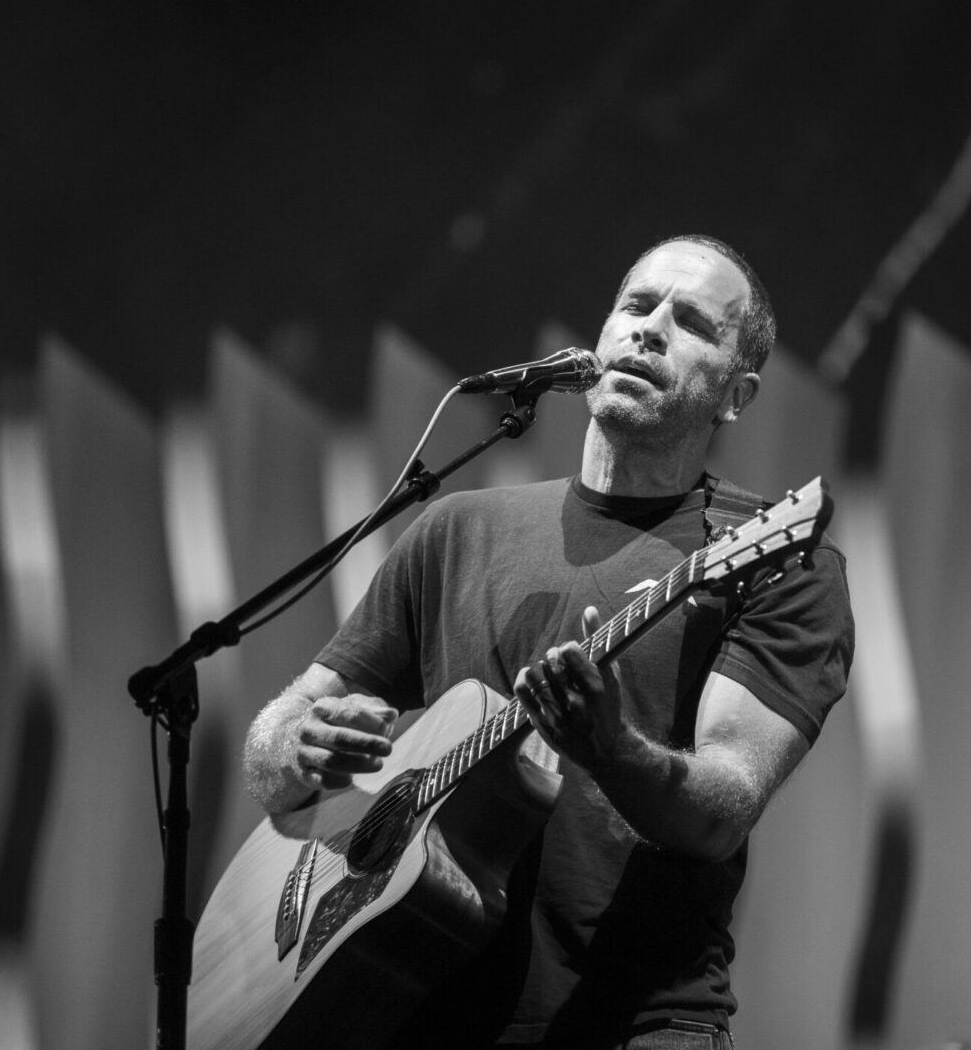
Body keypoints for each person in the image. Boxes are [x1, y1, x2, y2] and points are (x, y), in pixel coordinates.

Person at [243, 234, 855, 1049]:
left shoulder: (773, 558)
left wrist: (611, 748)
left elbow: (721, 810)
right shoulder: (457, 529)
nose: (649, 330)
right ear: (597, 341)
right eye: (636, 307)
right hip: (412, 1010)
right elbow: (270, 750)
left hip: (636, 1026)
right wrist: (297, 747)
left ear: (735, 396)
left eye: (693, 324)